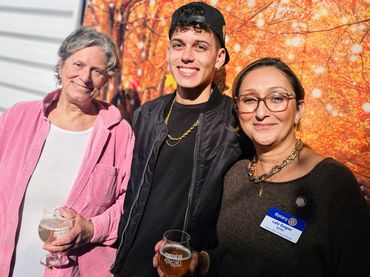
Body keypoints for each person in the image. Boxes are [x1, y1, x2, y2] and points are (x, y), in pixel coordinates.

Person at [154, 57, 370, 276]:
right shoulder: (236, 174)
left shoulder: (331, 182)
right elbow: (237, 257)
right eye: (249, 100)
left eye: (277, 98)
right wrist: (200, 263)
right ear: (237, 109)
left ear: (299, 109)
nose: (261, 112)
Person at [110, 2, 242, 276]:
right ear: (169, 51)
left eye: (200, 47)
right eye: (179, 45)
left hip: (180, 269)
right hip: (128, 265)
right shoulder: (147, 114)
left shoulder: (235, 121)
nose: (187, 56)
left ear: (219, 58)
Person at [0, 27, 134, 276]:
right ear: (61, 66)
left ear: (105, 79)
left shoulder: (119, 133)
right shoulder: (19, 117)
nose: (85, 77)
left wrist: (91, 229)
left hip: (74, 270)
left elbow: (129, 204)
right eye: (78, 64)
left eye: (97, 71)